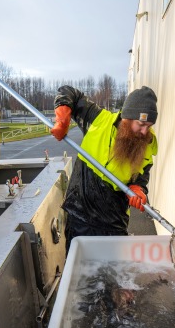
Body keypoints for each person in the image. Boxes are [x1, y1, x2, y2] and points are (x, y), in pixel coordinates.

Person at [50, 85, 159, 254]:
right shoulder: (99, 120)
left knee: (112, 272)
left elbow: (142, 175)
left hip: (114, 221)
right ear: (127, 118)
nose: (145, 131)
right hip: (81, 215)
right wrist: (62, 117)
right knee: (81, 270)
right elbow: (68, 92)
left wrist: (139, 188)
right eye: (141, 124)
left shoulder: (147, 143)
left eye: (149, 125)